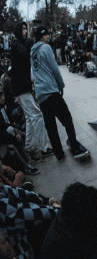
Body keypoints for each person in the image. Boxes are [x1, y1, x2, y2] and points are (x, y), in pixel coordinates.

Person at [30, 26, 87, 163]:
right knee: (67, 119)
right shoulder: (46, 48)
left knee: (51, 127)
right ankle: (74, 147)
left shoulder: (32, 52)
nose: (48, 37)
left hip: (41, 95)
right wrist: (61, 85)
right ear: (41, 37)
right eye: (46, 35)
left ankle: (59, 155)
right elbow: (55, 68)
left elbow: (33, 74)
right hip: (51, 91)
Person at [10, 22, 52, 163]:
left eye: (25, 28)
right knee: (37, 116)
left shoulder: (22, 44)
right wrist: (30, 41)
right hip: (21, 89)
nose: (24, 31)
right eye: (22, 29)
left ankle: (29, 147)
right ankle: (44, 148)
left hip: (24, 88)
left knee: (30, 118)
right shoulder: (16, 45)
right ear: (17, 31)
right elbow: (26, 53)